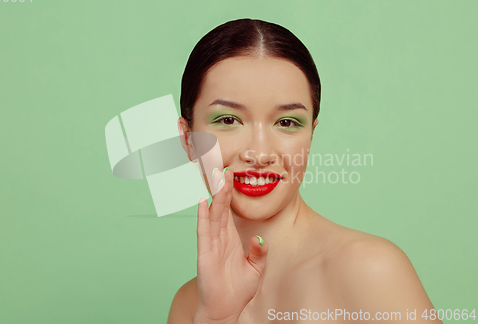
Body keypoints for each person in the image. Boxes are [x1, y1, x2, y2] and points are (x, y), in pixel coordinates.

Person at [167, 18, 441, 324]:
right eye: (228, 120)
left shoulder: (371, 270)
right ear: (188, 139)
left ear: (311, 134)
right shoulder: (188, 306)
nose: (259, 154)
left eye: (286, 122)